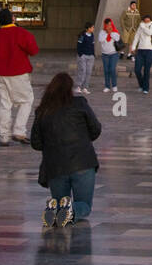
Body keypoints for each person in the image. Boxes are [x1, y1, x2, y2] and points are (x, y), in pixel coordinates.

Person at [31, 72, 102, 227]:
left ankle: (56, 209)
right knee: (84, 204)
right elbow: (96, 129)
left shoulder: (43, 110)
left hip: (55, 167)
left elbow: (35, 143)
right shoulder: (80, 103)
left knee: (60, 207)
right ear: (70, 88)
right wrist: (82, 140)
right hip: (83, 162)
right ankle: (70, 210)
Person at [0, 6, 39, 146]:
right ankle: (19, 130)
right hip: (18, 73)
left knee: (4, 105)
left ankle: (4, 136)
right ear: (12, 19)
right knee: (27, 100)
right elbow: (33, 50)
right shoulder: (21, 33)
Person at [131, 14, 152, 93]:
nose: (146, 20)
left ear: (150, 19)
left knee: (146, 70)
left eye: (148, 19)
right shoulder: (141, 26)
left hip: (150, 50)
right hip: (140, 50)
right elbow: (136, 37)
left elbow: (150, 33)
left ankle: (146, 88)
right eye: (145, 19)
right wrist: (133, 47)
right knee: (137, 70)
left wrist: (143, 27)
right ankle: (142, 85)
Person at [98, 18, 120, 92]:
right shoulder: (102, 32)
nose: (109, 26)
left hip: (114, 54)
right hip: (105, 54)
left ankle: (114, 85)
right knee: (106, 70)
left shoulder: (115, 31)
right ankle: (107, 86)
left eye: (110, 24)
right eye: (107, 24)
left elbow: (117, 39)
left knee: (112, 69)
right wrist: (107, 33)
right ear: (105, 25)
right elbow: (101, 40)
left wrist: (110, 33)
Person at [75, 23, 95, 95]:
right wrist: (81, 54)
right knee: (82, 70)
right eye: (92, 27)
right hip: (83, 56)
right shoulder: (82, 36)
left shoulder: (92, 35)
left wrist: (93, 54)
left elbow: (92, 45)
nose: (93, 29)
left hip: (90, 56)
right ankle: (78, 87)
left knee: (88, 72)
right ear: (88, 28)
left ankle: (85, 87)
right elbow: (79, 45)